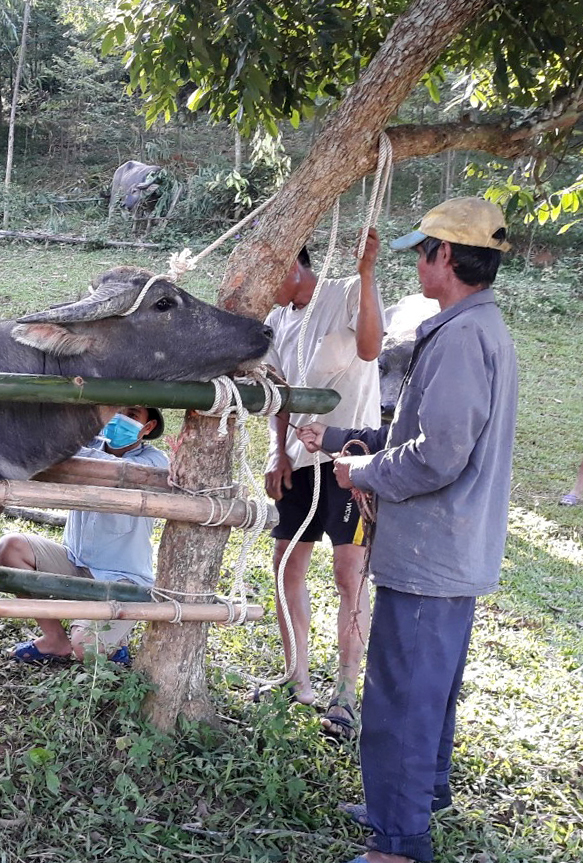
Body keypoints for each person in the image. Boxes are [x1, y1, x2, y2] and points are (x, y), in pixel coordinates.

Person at [297, 197, 517, 863]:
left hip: (430, 549)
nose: (416, 264)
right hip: (455, 546)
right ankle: (414, 798)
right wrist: (342, 437)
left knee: (398, 692)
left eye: (421, 251)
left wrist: (362, 472)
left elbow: (437, 453)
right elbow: (427, 434)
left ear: (444, 256)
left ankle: (396, 842)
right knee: (430, 686)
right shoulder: (481, 328)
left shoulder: (458, 336)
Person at [262, 230, 383, 739]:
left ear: (291, 264)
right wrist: (277, 451)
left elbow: (372, 348)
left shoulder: (345, 292)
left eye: (266, 272)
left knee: (348, 571)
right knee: (287, 560)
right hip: (298, 459)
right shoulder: (274, 320)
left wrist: (368, 273)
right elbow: (280, 396)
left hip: (351, 457)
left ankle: (346, 694)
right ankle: (297, 679)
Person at [0, 406, 170, 665]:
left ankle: (114, 646)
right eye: (116, 410)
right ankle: (54, 639)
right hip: (75, 563)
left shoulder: (156, 462)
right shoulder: (88, 447)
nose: (119, 419)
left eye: (132, 415)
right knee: (10, 548)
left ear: (147, 428)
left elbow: (113, 468)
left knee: (86, 648)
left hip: (123, 579)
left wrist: (67, 448)